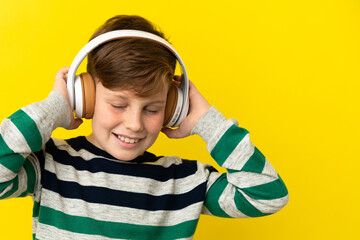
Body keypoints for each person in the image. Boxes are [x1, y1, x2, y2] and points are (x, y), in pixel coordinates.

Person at [0, 15, 289, 239]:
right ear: (84, 97)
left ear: (173, 108)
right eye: (118, 105)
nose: (134, 123)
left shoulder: (183, 182)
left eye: (152, 109)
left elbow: (267, 195)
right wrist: (51, 110)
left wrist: (208, 123)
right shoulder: (50, 166)